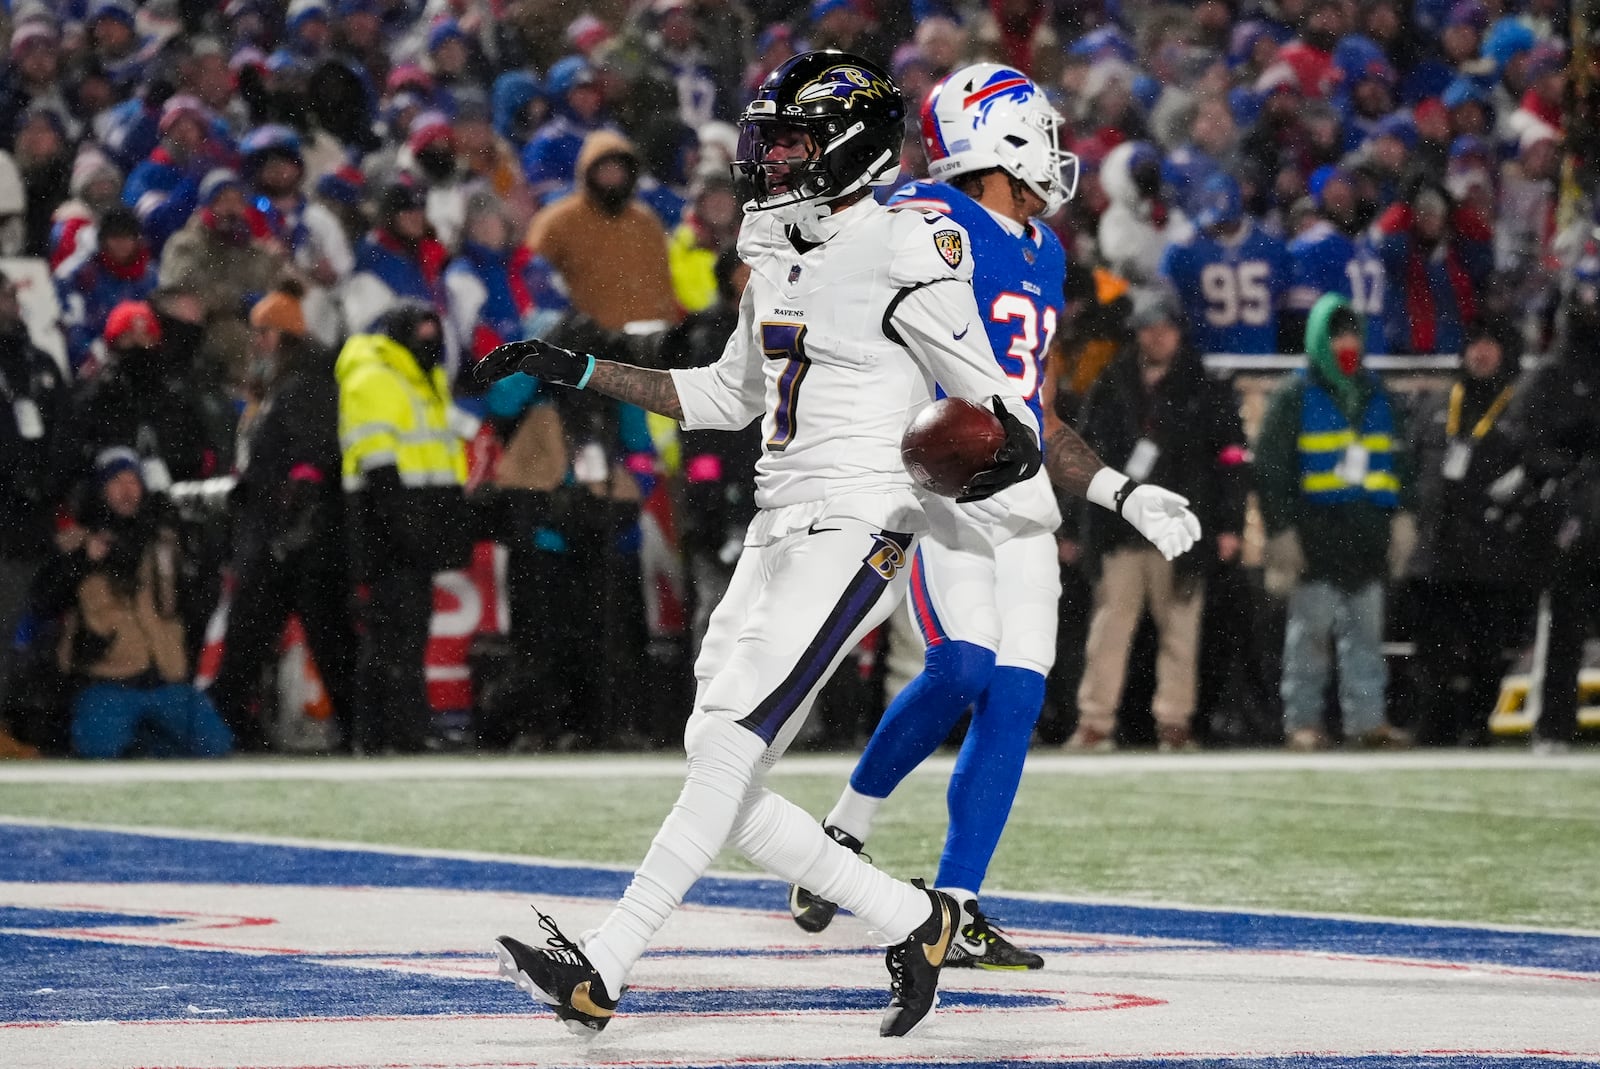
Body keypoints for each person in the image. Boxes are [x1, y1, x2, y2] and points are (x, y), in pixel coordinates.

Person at [480, 51, 1197, 1038]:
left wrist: (1058, 471)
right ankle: (914, 918)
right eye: (770, 141)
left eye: (793, 142)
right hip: (777, 522)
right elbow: (725, 395)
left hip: (859, 523)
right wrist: (586, 369)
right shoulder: (774, 239)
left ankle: (605, 959)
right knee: (716, 760)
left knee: (730, 750)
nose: (770, 160)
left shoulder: (912, 242)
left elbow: (998, 398)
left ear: (852, 144)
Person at [786, 62, 1184, 970]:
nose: (1053, 151)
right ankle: (839, 838)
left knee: (1017, 693)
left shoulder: (1044, 250)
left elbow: (1031, 404)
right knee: (962, 663)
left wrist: (1121, 489)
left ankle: (957, 904)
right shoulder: (925, 216)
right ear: (995, 137)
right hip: (945, 481)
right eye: (1037, 130)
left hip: (1022, 488)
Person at [1067, 290, 1249, 752]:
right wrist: (1072, 527)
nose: (1158, 336)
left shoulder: (1204, 386)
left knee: (1181, 630)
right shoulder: (1112, 384)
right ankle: (1095, 722)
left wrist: (1230, 525)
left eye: (1165, 328)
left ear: (1178, 333)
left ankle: (1174, 722)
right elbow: (1080, 458)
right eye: (1149, 328)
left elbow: (1230, 459)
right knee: (1110, 628)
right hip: (1120, 528)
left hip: (1180, 527)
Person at [1257, 294, 1415, 750]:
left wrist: (1403, 516)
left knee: (1366, 636)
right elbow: (1271, 469)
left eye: (1352, 334)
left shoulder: (1377, 393)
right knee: (1310, 638)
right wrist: (1281, 531)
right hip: (1316, 536)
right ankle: (1302, 721)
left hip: (1367, 535)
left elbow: (1400, 462)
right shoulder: (1293, 396)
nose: (1346, 343)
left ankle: (1368, 721)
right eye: (1337, 334)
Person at [207, 284, 355, 752]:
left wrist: (291, 515)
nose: (256, 341)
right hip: (277, 535)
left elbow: (312, 457)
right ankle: (229, 726)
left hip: (293, 542)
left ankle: (360, 730)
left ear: (285, 336)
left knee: (319, 643)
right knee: (263, 644)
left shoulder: (307, 385)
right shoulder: (278, 387)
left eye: (264, 333)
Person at [335, 300, 471, 754]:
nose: (430, 342)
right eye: (422, 332)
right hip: (383, 522)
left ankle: (396, 731)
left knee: (408, 633)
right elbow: (377, 461)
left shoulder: (419, 379)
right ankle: (388, 733)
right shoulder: (373, 378)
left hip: (413, 519)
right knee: (393, 634)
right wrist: (405, 524)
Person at [48, 448, 232, 759]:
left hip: (167, 680)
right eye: (116, 481)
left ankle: (145, 741)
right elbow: (45, 602)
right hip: (108, 682)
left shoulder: (168, 541)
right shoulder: (75, 542)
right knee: (98, 751)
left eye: (134, 481)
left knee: (216, 746)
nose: (127, 490)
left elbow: (197, 603)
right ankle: (140, 740)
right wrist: (83, 561)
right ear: (100, 489)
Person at [1404, 317, 1533, 746]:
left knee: (1486, 648)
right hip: (1437, 551)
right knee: (1432, 647)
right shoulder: (1439, 403)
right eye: (1476, 342)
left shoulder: (1520, 405)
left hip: (1492, 551)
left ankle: (1479, 724)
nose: (1482, 352)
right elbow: (1412, 466)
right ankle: (1434, 724)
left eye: (1491, 344)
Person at [1160, 172, 1292, 356]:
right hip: (1206, 359)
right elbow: (1169, 304)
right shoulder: (1183, 247)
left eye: (1227, 222)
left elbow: (1284, 299)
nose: (1221, 227)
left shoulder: (1270, 243)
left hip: (1260, 356)